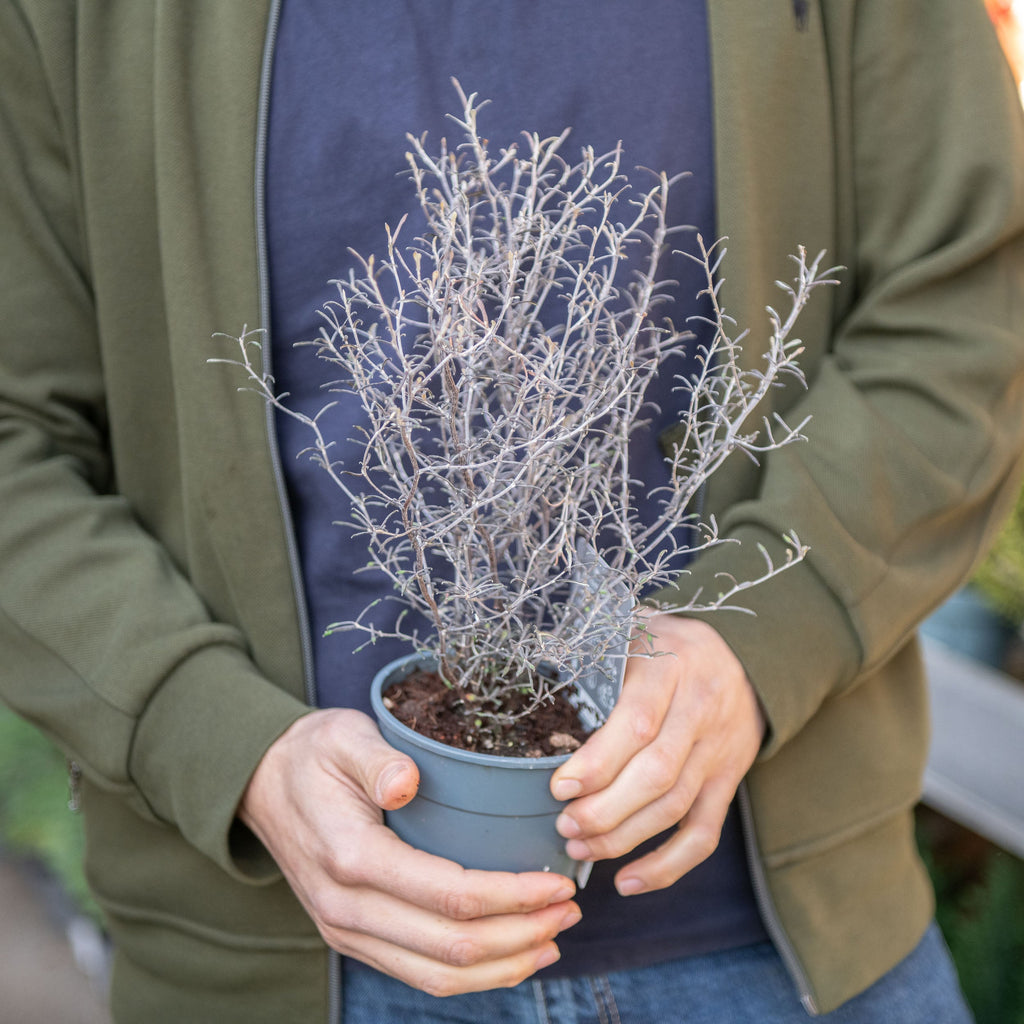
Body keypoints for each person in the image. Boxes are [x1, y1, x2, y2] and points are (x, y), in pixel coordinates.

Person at [1, 2, 1023, 1022]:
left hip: (784, 954)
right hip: (275, 968)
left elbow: (965, 306)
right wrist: (220, 741)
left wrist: (763, 636)